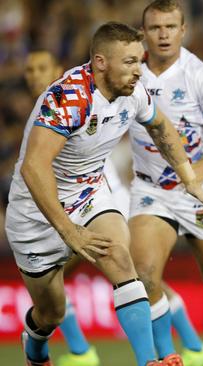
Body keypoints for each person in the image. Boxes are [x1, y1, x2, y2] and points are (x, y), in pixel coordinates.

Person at [5, 21, 203, 366]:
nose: (139, 71)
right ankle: (34, 347)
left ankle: (148, 360)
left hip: (90, 195)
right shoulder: (68, 97)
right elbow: (34, 167)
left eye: (140, 60)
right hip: (36, 214)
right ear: (101, 62)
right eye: (130, 62)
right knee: (51, 312)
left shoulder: (134, 90)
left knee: (121, 257)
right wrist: (67, 230)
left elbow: (160, 125)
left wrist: (189, 178)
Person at [128, 1, 203, 365]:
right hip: (151, 189)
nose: (163, 35)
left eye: (170, 27)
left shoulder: (200, 76)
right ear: (144, 33)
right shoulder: (130, 74)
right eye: (155, 28)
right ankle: (167, 356)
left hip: (198, 191)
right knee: (145, 276)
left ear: (183, 31)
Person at [23, 49, 101, 366]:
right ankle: (80, 351)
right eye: (29, 70)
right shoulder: (39, 112)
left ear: (59, 70)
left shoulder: (73, 103)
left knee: (137, 269)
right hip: (57, 211)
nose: (34, 75)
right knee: (51, 290)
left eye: (42, 67)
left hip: (91, 201)